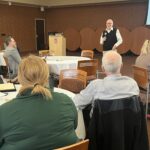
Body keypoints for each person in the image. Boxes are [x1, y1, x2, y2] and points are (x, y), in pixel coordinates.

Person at [0, 55, 79, 150]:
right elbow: (74, 127)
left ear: (20, 78)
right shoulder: (66, 101)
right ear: (46, 76)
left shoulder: (3, 111)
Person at [73, 51, 139, 116]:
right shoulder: (132, 84)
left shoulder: (96, 85)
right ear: (121, 66)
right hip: (126, 125)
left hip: (100, 126)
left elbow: (76, 102)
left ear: (103, 68)